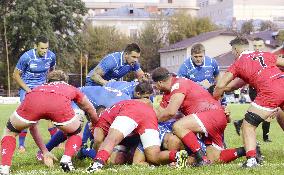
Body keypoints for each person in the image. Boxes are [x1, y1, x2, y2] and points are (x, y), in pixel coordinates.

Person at [0, 70, 99, 175]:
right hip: (59, 107)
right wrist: (95, 123)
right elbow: (89, 108)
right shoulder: (71, 88)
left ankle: (4, 167)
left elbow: (33, 127)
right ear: (65, 81)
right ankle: (66, 158)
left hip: (33, 101)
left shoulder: (37, 89)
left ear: (47, 81)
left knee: (10, 132)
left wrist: (44, 151)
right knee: (76, 133)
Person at [152, 67, 251, 167]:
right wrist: (149, 114)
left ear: (159, 83)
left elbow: (170, 112)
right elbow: (159, 113)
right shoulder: (168, 93)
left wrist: (151, 123)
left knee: (178, 126)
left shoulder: (178, 84)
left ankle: (201, 158)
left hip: (211, 115)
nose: (155, 88)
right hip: (212, 118)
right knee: (214, 158)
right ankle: (247, 149)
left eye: (155, 85)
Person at [86, 82, 188, 173]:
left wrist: (98, 156)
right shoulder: (141, 103)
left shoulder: (100, 120)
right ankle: (177, 156)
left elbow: (98, 140)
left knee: (111, 139)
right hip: (149, 116)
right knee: (153, 156)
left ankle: (96, 165)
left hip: (131, 111)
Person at [213, 37, 284, 168]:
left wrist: (215, 98)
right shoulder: (264, 54)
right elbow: (235, 85)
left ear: (235, 50)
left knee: (248, 126)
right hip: (282, 82)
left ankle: (251, 160)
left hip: (270, 91)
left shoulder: (238, 63)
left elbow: (221, 84)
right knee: (281, 117)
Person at [35, 85, 131, 161]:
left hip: (101, 102)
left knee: (98, 136)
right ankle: (45, 150)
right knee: (73, 129)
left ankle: (83, 148)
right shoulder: (115, 112)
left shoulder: (122, 109)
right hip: (77, 96)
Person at [12, 35, 57, 152]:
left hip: (42, 87)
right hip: (27, 88)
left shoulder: (51, 56)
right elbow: (15, 75)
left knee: (51, 113)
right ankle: (21, 145)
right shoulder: (26, 57)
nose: (44, 51)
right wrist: (28, 90)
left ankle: (55, 142)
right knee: (27, 117)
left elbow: (52, 71)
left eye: (46, 48)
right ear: (35, 46)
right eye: (42, 48)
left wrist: (48, 84)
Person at [233, 37, 273, 142]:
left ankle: (240, 123)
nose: (257, 48)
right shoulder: (249, 59)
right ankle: (265, 138)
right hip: (255, 89)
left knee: (266, 113)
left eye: (259, 45)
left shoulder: (267, 57)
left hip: (267, 89)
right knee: (266, 113)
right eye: (255, 46)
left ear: (263, 46)